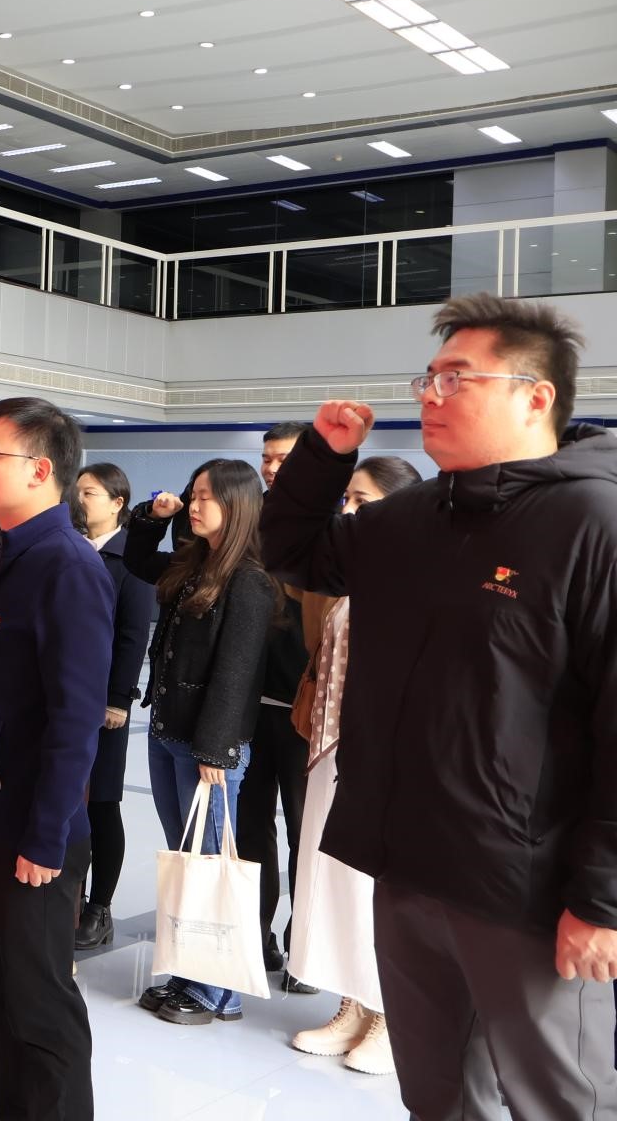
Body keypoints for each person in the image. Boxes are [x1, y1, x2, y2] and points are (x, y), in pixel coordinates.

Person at [262, 294, 617, 1119]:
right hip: (408, 868)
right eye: (428, 378)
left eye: (458, 378)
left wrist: (602, 900)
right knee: (438, 1096)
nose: (431, 394)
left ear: (535, 396)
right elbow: (295, 553)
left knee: (564, 1101)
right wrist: (323, 457)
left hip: (528, 890)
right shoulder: (413, 517)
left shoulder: (593, 522)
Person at [0, 398, 110, 1121]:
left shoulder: (67, 565)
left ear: (40, 471)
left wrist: (45, 835)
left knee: (41, 1008)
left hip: (32, 829)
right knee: (0, 994)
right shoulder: (12, 550)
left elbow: (75, 718)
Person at [124, 458, 278, 1026]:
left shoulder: (249, 580)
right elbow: (138, 560)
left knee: (211, 863)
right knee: (187, 860)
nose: (194, 505)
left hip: (207, 747)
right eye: (194, 494)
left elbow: (237, 673)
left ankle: (220, 990)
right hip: (168, 731)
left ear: (237, 505)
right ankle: (192, 971)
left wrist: (216, 751)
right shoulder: (195, 563)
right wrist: (152, 516)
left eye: (206, 497)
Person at [286, 455, 421, 1077]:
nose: (349, 511)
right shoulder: (353, 572)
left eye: (362, 500)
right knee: (332, 879)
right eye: (347, 499)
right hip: (331, 751)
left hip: (387, 760)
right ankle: (352, 1004)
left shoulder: (422, 579)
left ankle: (395, 1015)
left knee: (376, 889)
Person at [239, 421, 316, 987]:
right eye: (267, 458)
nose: (271, 468)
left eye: (284, 459)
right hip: (249, 700)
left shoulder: (329, 526)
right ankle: (255, 936)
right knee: (251, 830)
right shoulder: (252, 518)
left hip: (303, 706)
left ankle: (305, 949)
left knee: (303, 834)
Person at [69, 462, 157, 952]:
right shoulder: (73, 547)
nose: (80, 499)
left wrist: (118, 699)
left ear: (118, 502)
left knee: (102, 803)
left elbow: (133, 633)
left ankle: (99, 907)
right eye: (78, 491)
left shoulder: (130, 557)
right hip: (67, 694)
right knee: (68, 801)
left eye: (90, 493)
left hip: (104, 702)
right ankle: (68, 897)